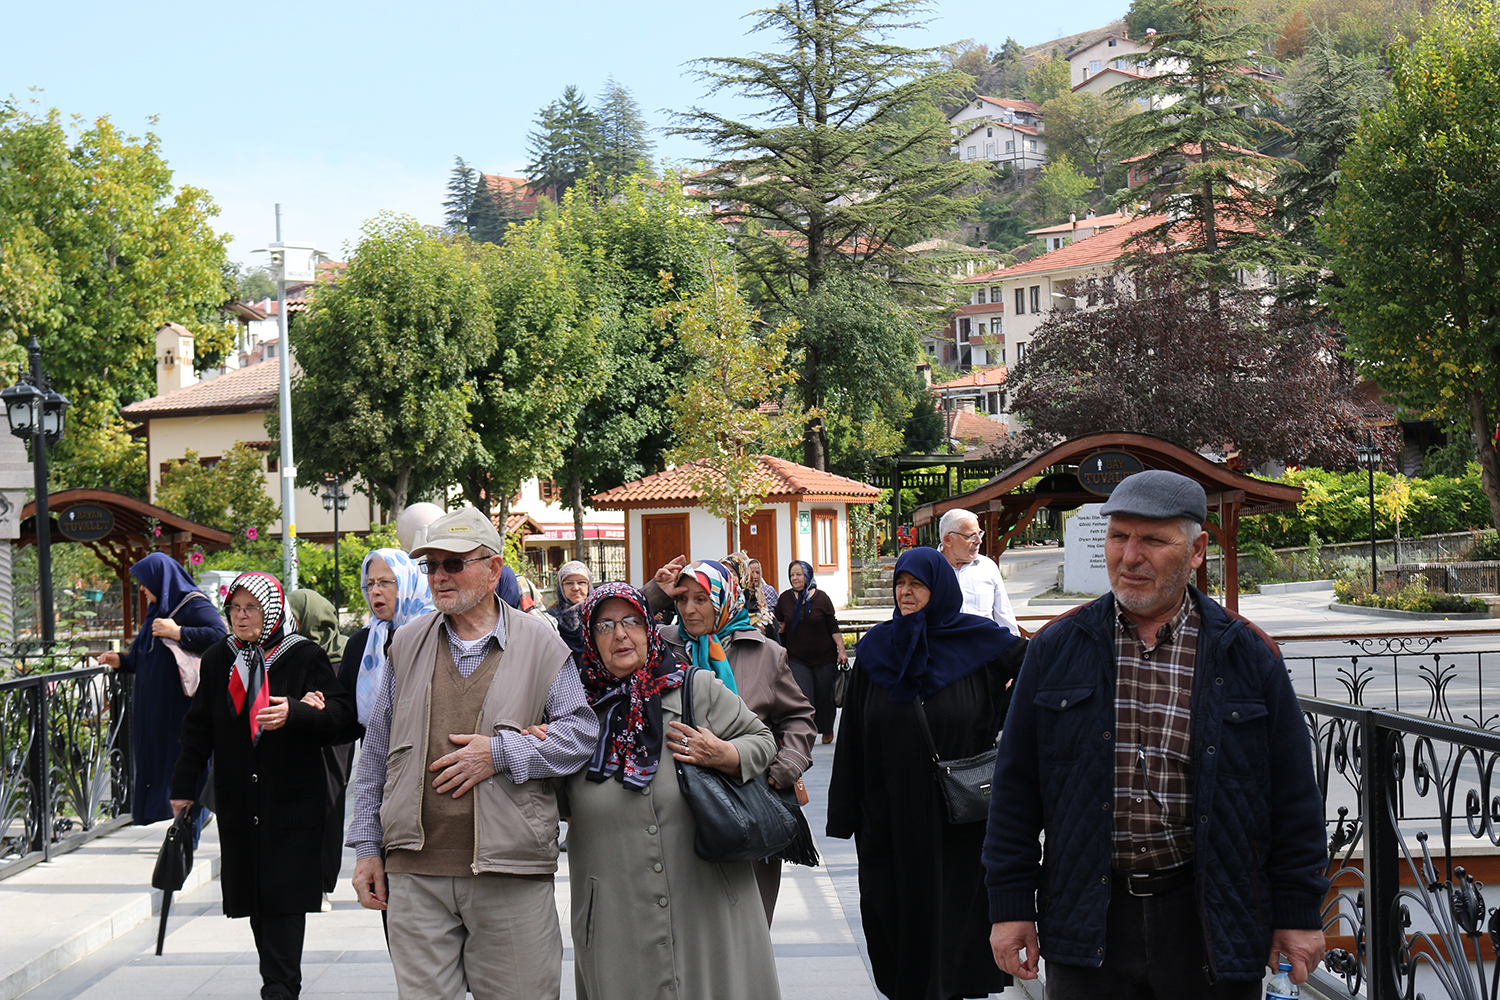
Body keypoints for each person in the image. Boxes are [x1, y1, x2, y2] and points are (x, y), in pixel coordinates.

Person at [985, 471, 1329, 997]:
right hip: (1088, 916)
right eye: (1118, 536)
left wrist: (1299, 913)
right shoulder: (1055, 650)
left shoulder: (1247, 655)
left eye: (1152, 539)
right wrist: (1009, 907)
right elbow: (1013, 793)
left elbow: (1293, 799)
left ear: (1196, 551)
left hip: (1210, 921)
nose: (1129, 557)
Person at [346, 507, 600, 1000]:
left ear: (493, 569)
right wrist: (366, 849)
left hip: (510, 871)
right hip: (416, 873)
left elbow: (581, 735)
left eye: (454, 564)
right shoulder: (407, 641)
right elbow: (377, 750)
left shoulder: (540, 642)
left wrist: (502, 752)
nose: (439, 576)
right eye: (431, 565)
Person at [560, 582, 781, 1000]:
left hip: (707, 900)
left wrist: (725, 753)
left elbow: (762, 740)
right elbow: (552, 796)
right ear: (590, 639)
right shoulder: (572, 709)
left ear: (650, 627)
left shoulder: (694, 687)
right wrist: (540, 750)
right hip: (614, 911)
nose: (620, 635)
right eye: (604, 626)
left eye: (630, 621)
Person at [827, 547, 1025, 1000]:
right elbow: (854, 733)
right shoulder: (878, 649)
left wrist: (1009, 725)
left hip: (957, 817)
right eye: (901, 583)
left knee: (953, 921)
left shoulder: (981, 641)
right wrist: (845, 813)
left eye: (917, 583)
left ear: (940, 588)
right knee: (893, 917)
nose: (906, 591)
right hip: (889, 813)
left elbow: (1037, 670)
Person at [170, 572, 353, 1000]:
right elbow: (197, 729)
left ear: (271, 612)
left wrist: (298, 713)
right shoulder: (220, 658)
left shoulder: (303, 656)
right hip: (239, 803)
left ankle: (280, 989)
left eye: (251, 608)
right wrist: (183, 785)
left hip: (290, 803)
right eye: (235, 607)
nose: (241, 616)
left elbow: (344, 717)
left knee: (284, 902)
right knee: (255, 900)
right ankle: (276, 984)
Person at [645, 556, 815, 923]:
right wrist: (655, 596)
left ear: (724, 600)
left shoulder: (764, 653)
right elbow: (604, 630)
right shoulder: (659, 648)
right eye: (681, 599)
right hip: (678, 812)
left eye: (701, 599)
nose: (689, 609)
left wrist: (786, 765)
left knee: (748, 932)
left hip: (748, 805)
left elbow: (798, 717)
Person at [96, 551, 227, 825]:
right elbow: (150, 656)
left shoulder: (191, 604)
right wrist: (122, 661)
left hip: (179, 708)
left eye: (144, 581)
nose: (142, 588)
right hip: (156, 708)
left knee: (184, 763)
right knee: (160, 765)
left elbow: (219, 636)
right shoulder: (158, 610)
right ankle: (178, 817)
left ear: (160, 580)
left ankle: (192, 821)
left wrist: (179, 632)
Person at [286, 587, 355, 908]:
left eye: (295, 617)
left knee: (328, 807)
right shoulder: (291, 652)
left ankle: (321, 884)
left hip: (332, 744)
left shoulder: (348, 653)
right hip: (299, 742)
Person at [775, 559, 847, 744]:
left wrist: (842, 650)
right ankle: (807, 732)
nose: (795, 578)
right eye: (792, 575)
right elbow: (779, 624)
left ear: (808, 576)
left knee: (825, 696)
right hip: (797, 658)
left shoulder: (821, 598)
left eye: (799, 574)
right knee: (804, 696)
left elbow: (833, 626)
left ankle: (827, 728)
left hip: (825, 657)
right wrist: (779, 629)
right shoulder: (784, 599)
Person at [937, 509, 1019, 637]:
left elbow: (1003, 614)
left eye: (979, 534)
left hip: (984, 651)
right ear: (948, 540)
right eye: (971, 536)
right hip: (943, 651)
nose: (978, 541)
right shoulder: (928, 568)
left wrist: (1015, 649)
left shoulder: (987, 567)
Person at [546, 559, 592, 663]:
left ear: (589, 585)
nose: (575, 588)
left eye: (581, 582)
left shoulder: (597, 614)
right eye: (569, 583)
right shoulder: (550, 619)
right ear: (561, 587)